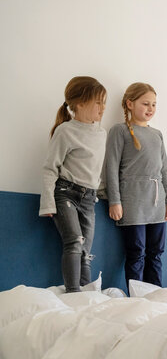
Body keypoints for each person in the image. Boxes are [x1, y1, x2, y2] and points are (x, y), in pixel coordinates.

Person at [39, 76, 107, 293]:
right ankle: (73, 292)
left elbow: (96, 170)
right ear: (80, 104)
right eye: (98, 102)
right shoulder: (65, 131)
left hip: (89, 198)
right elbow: (50, 168)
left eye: (104, 102)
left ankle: (86, 293)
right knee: (75, 243)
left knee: (86, 250)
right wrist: (48, 203)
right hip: (65, 193)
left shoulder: (101, 133)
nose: (102, 107)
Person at [104, 82, 167, 292]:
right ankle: (136, 298)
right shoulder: (119, 131)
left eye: (154, 104)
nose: (150, 108)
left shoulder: (157, 134)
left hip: (157, 202)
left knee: (156, 252)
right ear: (129, 104)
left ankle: (155, 295)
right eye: (145, 103)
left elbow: (165, 171)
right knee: (137, 252)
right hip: (132, 202)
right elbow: (111, 168)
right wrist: (114, 201)